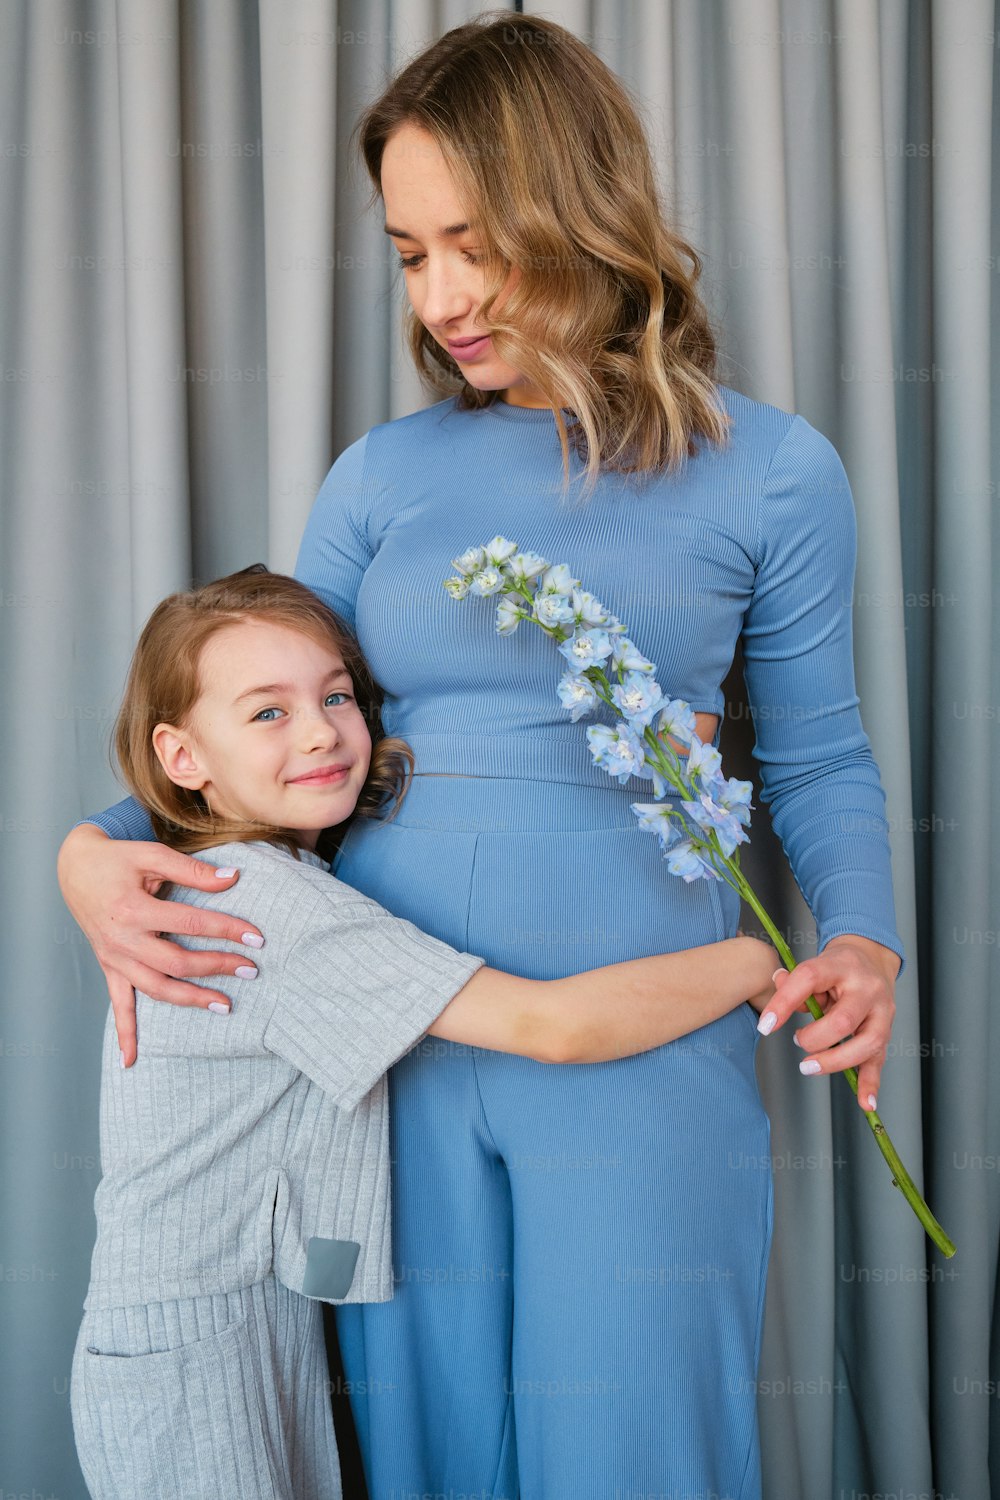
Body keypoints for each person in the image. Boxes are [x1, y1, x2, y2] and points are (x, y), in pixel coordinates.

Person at [58, 14, 904, 1498]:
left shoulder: (773, 467)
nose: (441, 295)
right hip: (388, 1047)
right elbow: (262, 717)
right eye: (406, 252)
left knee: (636, 1452)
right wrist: (93, 845)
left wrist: (870, 944)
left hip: (646, 1039)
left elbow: (825, 758)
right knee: (429, 1452)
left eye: (474, 242)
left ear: (576, 209)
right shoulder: (382, 475)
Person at [69, 564, 778, 1500]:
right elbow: (550, 1025)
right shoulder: (264, 904)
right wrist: (762, 961)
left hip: (225, 1325)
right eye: (267, 713)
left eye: (335, 696)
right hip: (199, 1352)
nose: (322, 730)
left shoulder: (248, 875)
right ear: (182, 757)